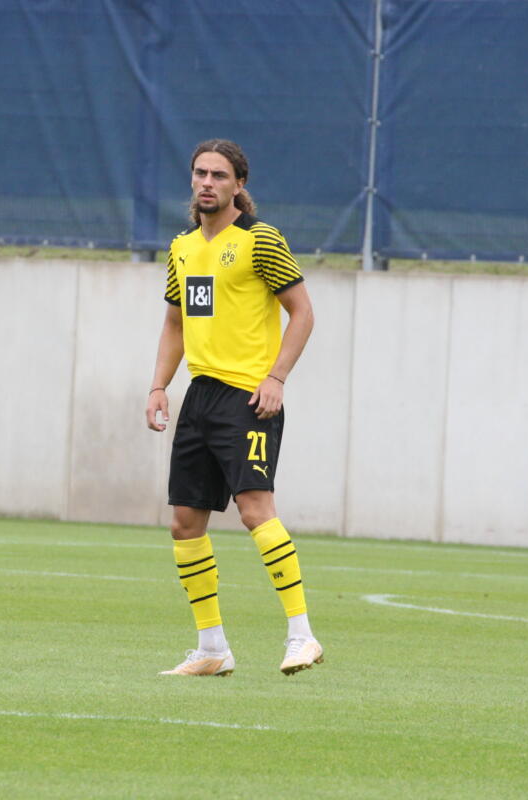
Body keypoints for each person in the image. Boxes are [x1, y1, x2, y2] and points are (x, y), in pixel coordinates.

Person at [144, 139, 319, 677]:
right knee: (184, 522)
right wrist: (158, 387)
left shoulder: (259, 240)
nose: (207, 183)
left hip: (249, 398)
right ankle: (212, 648)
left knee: (253, 511)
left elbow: (303, 313)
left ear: (239, 184)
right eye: (200, 173)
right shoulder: (182, 247)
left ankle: (302, 636)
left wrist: (276, 377)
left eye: (219, 175)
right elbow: (176, 322)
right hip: (200, 397)